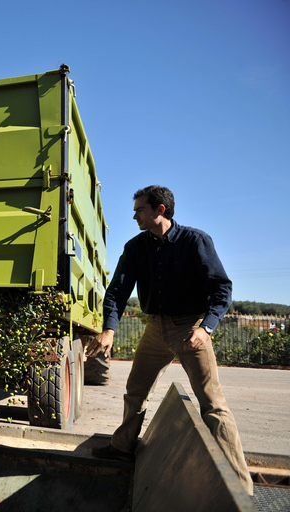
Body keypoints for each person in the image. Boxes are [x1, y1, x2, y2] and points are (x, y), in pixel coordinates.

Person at [86, 185, 253, 495]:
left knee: (212, 404)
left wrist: (206, 329)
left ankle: (241, 486)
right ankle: (122, 448)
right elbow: (118, 290)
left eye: (139, 209)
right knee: (135, 390)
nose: (134, 215)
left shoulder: (196, 241)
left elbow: (221, 289)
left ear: (159, 210)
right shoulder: (136, 247)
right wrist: (109, 328)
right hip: (154, 329)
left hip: (191, 328)